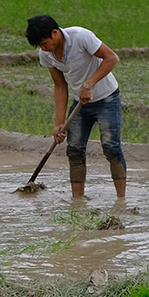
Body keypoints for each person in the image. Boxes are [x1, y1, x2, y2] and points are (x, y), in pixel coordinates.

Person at [26, 14, 124, 201]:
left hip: (107, 99)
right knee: (75, 150)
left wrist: (89, 84)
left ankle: (121, 201)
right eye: (39, 46)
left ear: (55, 33)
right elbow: (59, 85)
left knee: (111, 148)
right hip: (81, 103)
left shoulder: (81, 37)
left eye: (44, 43)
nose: (43, 48)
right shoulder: (46, 54)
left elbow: (111, 58)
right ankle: (77, 202)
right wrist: (59, 124)